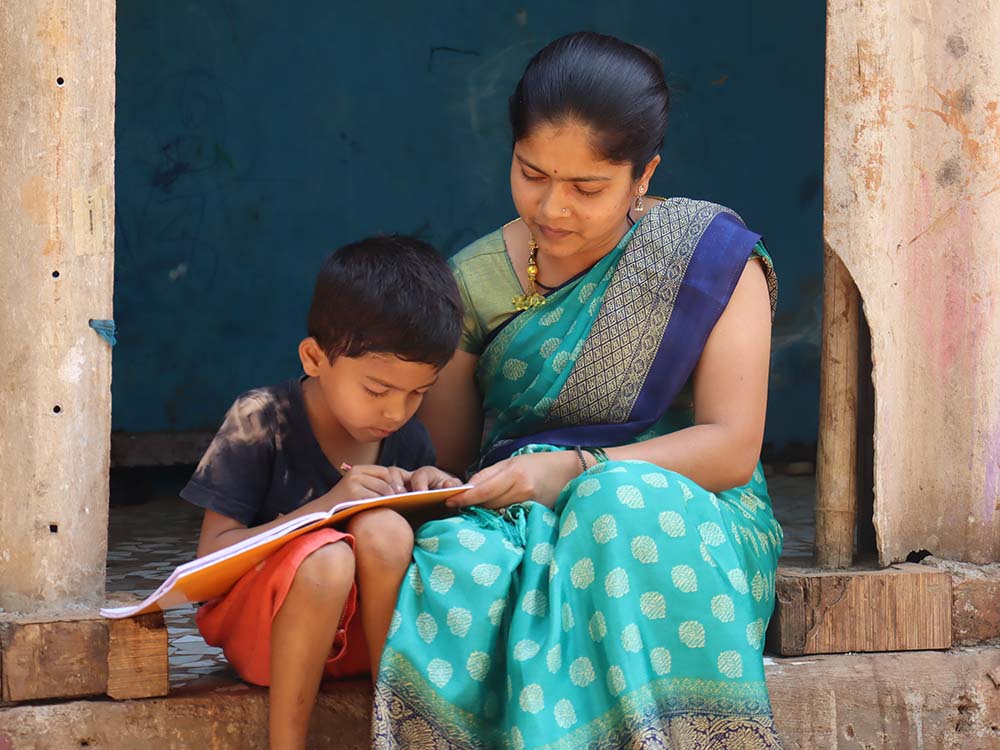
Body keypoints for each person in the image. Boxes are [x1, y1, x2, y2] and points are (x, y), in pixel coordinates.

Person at [371, 32, 783, 748]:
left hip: (683, 516)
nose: (552, 208)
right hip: (525, 511)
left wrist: (576, 471)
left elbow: (731, 449)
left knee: (614, 503)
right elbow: (452, 469)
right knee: (459, 562)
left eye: (587, 188)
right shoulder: (472, 283)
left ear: (642, 176)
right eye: (532, 174)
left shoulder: (708, 259)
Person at [180, 235, 464, 750]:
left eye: (418, 392)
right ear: (314, 358)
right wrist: (326, 508)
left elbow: (406, 561)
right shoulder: (260, 419)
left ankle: (393, 731)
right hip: (264, 638)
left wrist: (434, 497)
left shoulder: (409, 438)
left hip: (358, 641)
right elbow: (205, 572)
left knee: (384, 529)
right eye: (377, 390)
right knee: (328, 559)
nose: (395, 412)